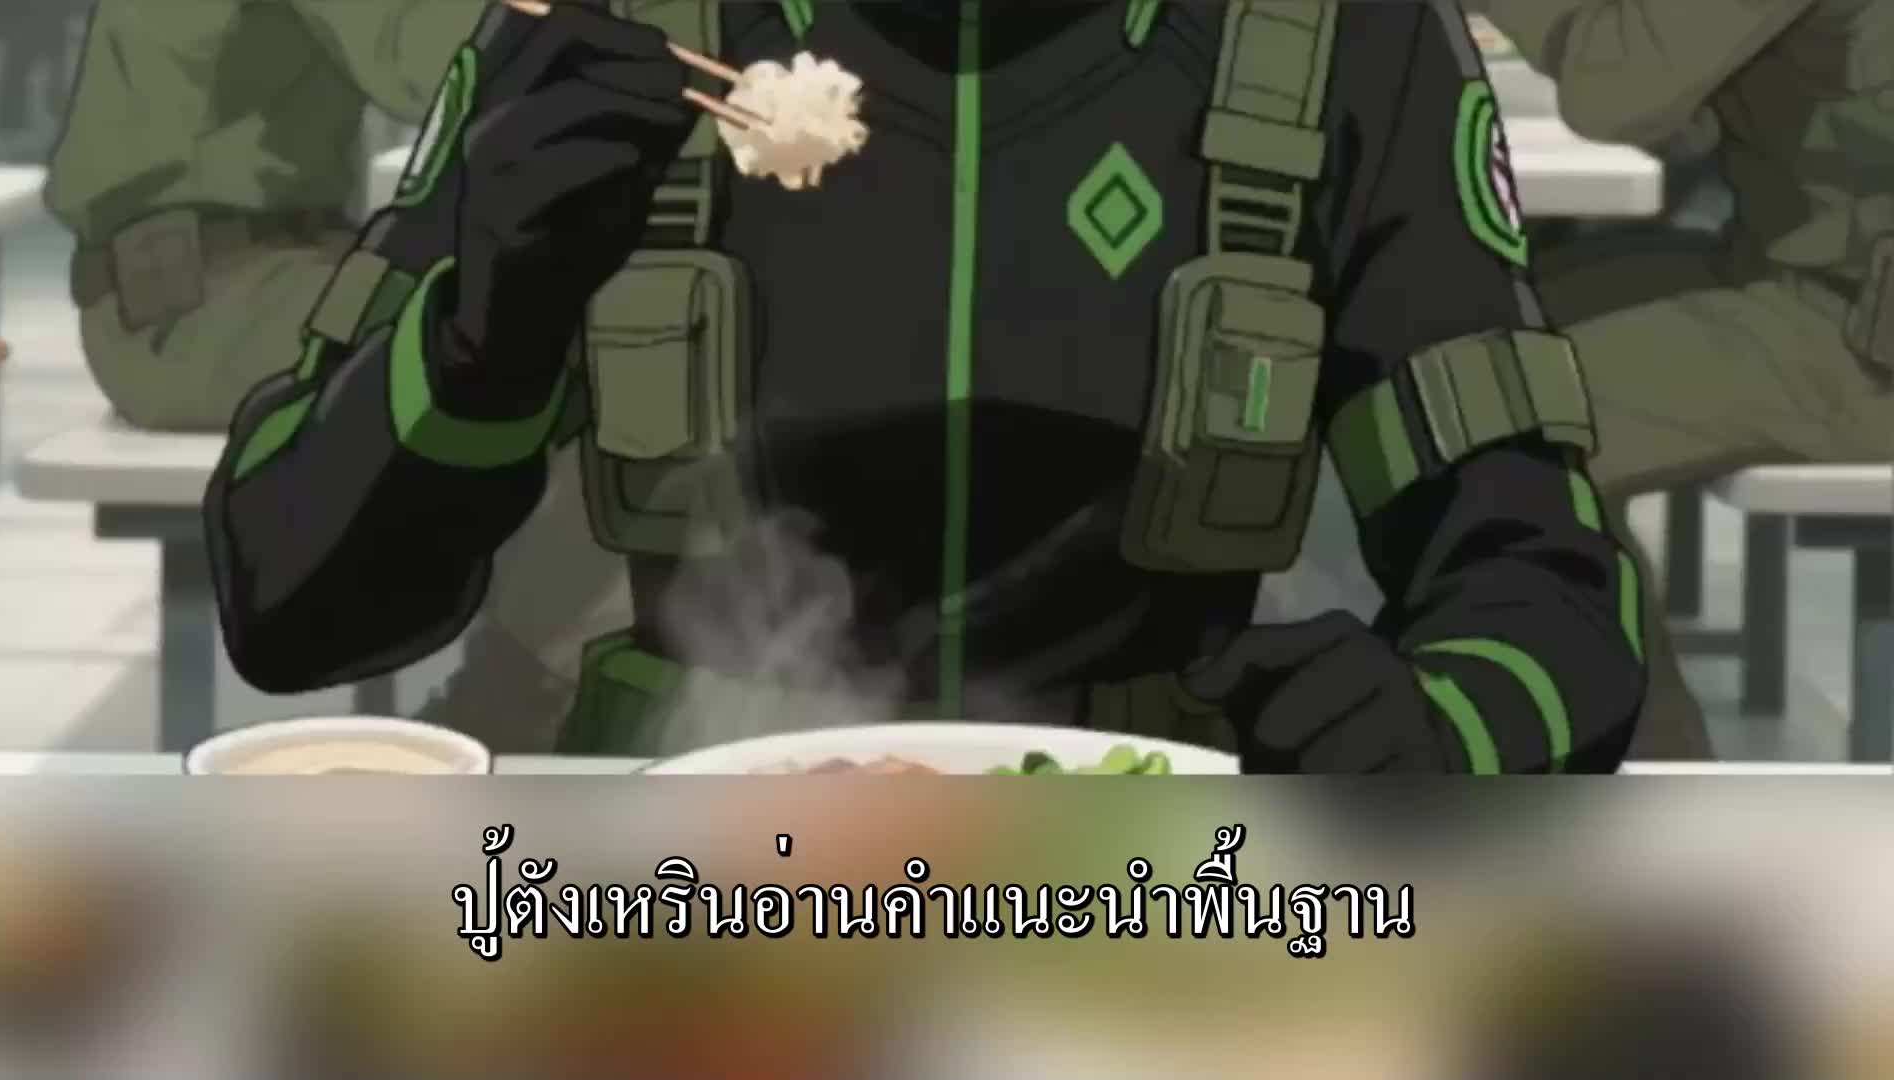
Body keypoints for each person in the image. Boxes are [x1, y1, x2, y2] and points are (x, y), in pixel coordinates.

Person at [203, 0, 1646, 773]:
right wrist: (479, 337)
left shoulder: (1335, 34)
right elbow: (289, 604)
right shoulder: (618, 30)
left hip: (1144, 883)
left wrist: (1445, 733)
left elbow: (1536, 568)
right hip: (696, 878)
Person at [44, 0, 632, 748]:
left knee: (577, 302)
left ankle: (553, 663)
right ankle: (521, 696)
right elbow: (444, 53)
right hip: (195, 299)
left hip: (249, 266)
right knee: (572, 345)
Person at [1469, 0, 1894, 758]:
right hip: (1806, 281)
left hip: (1860, 342)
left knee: (1506, 418)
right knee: (1474, 326)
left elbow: (1614, 90)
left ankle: (1646, 781)